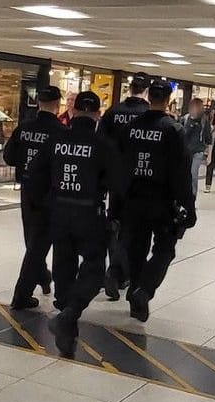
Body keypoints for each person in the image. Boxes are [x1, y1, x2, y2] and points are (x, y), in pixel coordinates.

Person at [28, 91, 124, 357]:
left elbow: (35, 175)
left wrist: (46, 204)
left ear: (73, 112)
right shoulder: (102, 145)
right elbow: (118, 183)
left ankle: (66, 328)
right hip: (88, 214)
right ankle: (69, 316)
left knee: (64, 266)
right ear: (96, 114)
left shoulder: (56, 140)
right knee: (93, 269)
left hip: (58, 212)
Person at [119, 79, 196, 323]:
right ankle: (144, 290)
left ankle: (135, 294)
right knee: (165, 249)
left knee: (136, 248)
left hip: (133, 199)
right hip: (162, 201)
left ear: (149, 97)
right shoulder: (173, 130)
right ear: (167, 100)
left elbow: (118, 164)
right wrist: (188, 207)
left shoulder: (130, 128)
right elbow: (181, 173)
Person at [4, 85, 66, 310]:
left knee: (33, 239)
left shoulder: (24, 127)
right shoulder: (60, 132)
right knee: (38, 244)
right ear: (57, 105)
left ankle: (42, 275)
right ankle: (21, 295)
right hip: (48, 193)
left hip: (27, 190)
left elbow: (9, 156)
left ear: (39, 102)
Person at [98, 72, 151, 301]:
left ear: (129, 88)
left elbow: (100, 143)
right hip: (139, 182)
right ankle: (120, 272)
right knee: (135, 232)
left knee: (115, 224)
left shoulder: (113, 112)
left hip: (114, 179)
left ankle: (115, 268)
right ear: (146, 90)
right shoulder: (148, 115)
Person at [180, 98, 212, 197]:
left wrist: (209, 156)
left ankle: (192, 197)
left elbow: (209, 139)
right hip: (185, 151)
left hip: (198, 152)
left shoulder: (204, 121)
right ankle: (182, 196)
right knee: (183, 175)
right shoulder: (185, 119)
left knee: (193, 174)